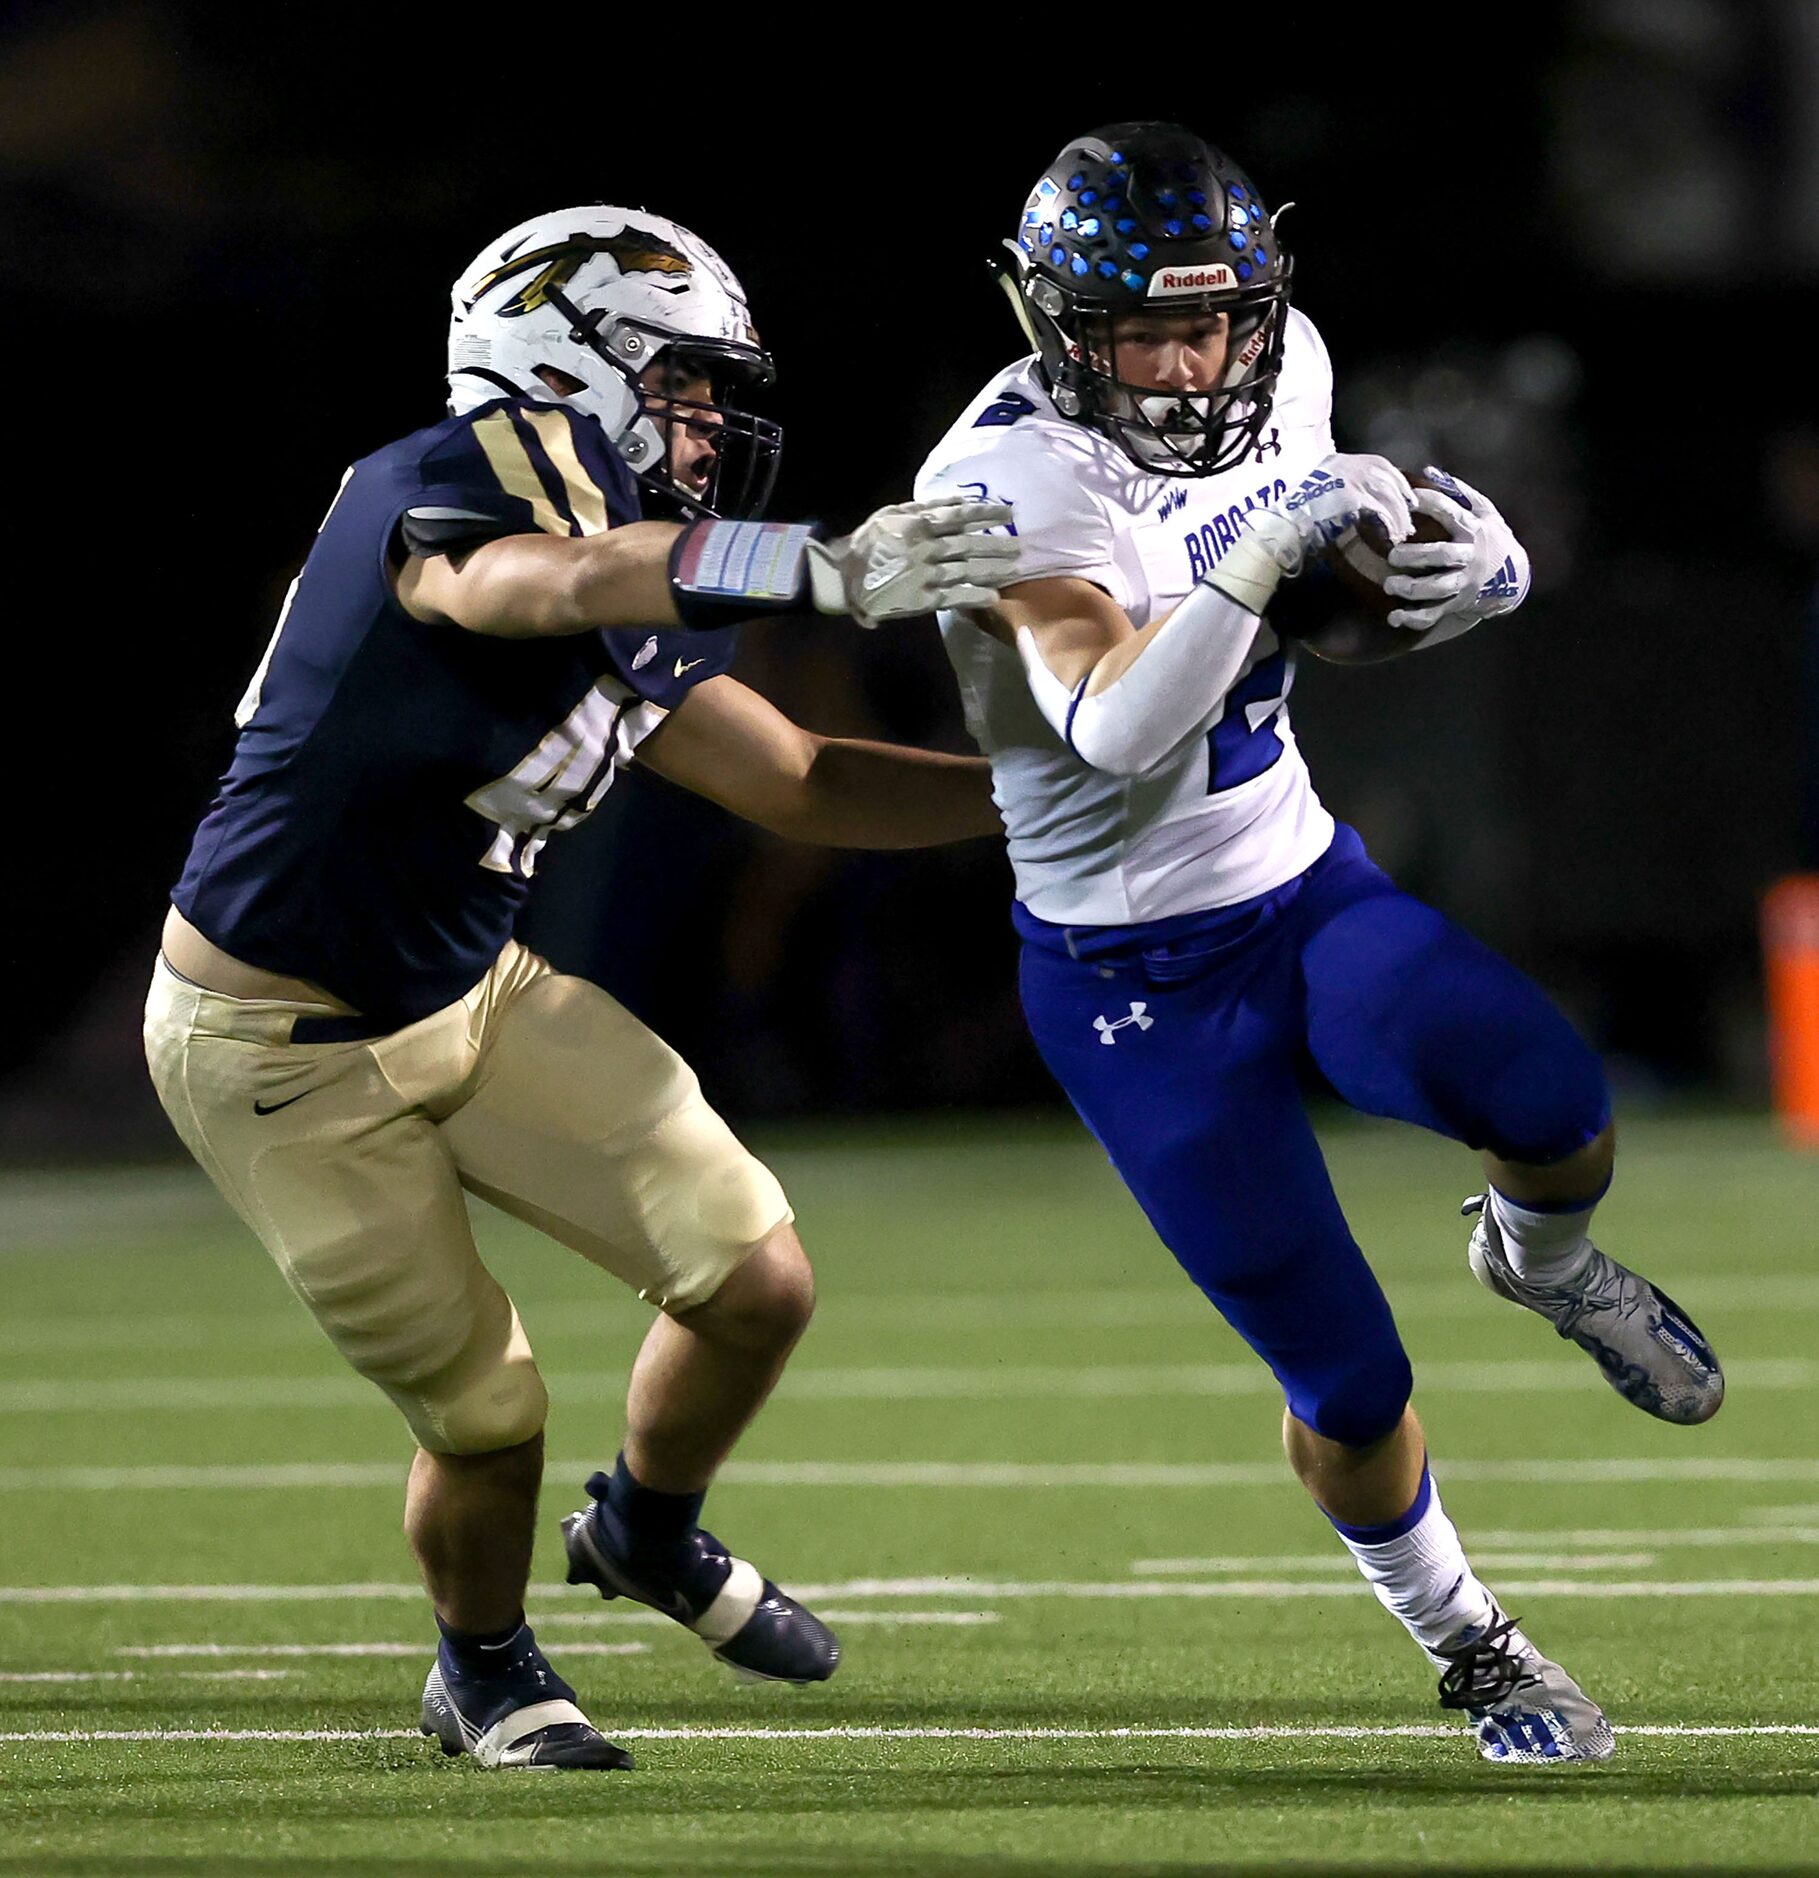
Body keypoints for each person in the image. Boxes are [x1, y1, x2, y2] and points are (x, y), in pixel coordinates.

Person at [144, 204, 1019, 1772]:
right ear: (566, 360)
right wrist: (811, 567)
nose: (705, 422)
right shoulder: (452, 485)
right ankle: (480, 1665)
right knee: (486, 1416)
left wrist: (1046, 787)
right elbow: (523, 590)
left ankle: (646, 1527)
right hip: (280, 1043)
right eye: (679, 385)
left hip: (469, 986)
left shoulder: (631, 550)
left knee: (756, 1277)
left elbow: (801, 780)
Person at [915, 123, 1724, 1765]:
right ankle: (1476, 1645)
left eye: (1210, 322)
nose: (1184, 361)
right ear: (1057, 326)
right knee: (1347, 1378)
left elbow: (1302, 615)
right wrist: (1272, 547)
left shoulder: (1287, 374)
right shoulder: (1000, 479)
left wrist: (1468, 568)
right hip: (1128, 975)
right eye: (1141, 328)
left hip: (1296, 886)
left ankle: (1543, 1262)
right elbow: (1116, 724)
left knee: (1555, 1100)